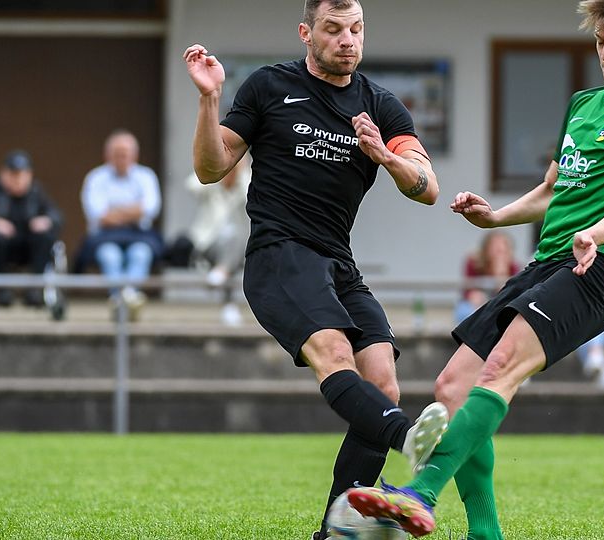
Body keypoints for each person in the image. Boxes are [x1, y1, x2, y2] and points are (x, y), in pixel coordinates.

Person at [345, 1, 604, 537]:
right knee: (452, 385)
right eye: (601, 41)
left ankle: (419, 493)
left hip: (602, 265)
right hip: (549, 262)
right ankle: (486, 533)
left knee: (500, 369)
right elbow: (552, 190)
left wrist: (595, 233)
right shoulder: (584, 103)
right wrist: (494, 217)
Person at [182, 2, 448, 538]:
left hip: (337, 261)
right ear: (307, 32)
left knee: (383, 385)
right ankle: (406, 439)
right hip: (279, 255)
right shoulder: (268, 87)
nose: (347, 40)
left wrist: (386, 156)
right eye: (333, 29)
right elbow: (211, 169)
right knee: (333, 353)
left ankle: (334, 529)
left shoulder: (381, 105)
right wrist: (210, 99)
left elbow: (428, 186)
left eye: (356, 29)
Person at [0, 150, 63, 307]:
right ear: (3, 173)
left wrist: (47, 220)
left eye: (22, 174)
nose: (17, 179)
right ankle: (2, 290)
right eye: (13, 174)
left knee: (46, 237)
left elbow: (57, 216)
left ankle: (35, 289)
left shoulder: (37, 192)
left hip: (27, 246)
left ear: (29, 175)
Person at [81, 130, 163, 319]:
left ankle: (125, 298)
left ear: (134, 155)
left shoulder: (146, 176)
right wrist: (133, 211)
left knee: (140, 254)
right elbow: (98, 215)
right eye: (117, 154)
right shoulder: (95, 177)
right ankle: (124, 299)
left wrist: (114, 212)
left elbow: (151, 209)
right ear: (107, 155)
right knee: (110, 256)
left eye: (125, 154)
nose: (121, 159)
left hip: (139, 235)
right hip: (105, 236)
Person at [169, 155, 252, 326]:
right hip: (208, 244)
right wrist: (216, 169)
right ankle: (228, 303)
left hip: (239, 247)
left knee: (235, 241)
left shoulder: (243, 184)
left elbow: (249, 194)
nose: (231, 172)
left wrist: (243, 170)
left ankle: (222, 274)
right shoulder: (212, 187)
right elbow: (191, 186)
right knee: (232, 255)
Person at [454, 231, 520, 324]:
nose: (499, 250)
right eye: (495, 246)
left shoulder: (513, 266)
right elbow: (467, 289)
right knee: (465, 312)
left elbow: (508, 295)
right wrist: (474, 295)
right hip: (475, 302)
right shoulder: (473, 262)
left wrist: (501, 272)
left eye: (503, 246)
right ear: (486, 248)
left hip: (499, 302)